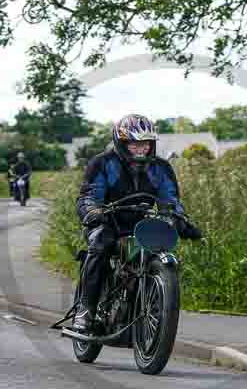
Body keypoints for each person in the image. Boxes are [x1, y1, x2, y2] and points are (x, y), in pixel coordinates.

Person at [74, 114, 202, 334]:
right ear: (122, 143)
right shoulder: (103, 163)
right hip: (107, 222)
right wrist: (93, 211)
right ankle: (86, 310)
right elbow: (89, 195)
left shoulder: (161, 168)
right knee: (100, 241)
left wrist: (178, 219)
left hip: (141, 226)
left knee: (157, 247)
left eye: (145, 144)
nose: (141, 149)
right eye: (135, 144)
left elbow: (170, 199)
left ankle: (148, 302)